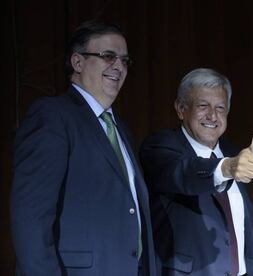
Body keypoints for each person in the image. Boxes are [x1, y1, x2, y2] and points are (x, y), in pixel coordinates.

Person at [10, 21, 156, 275]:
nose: (118, 66)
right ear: (77, 63)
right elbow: (30, 218)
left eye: (124, 60)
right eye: (108, 56)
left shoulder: (121, 127)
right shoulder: (53, 116)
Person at [139, 68, 253, 276]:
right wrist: (226, 168)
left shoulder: (234, 153)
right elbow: (184, 173)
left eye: (220, 108)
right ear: (181, 108)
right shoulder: (161, 147)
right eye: (203, 106)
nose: (212, 115)